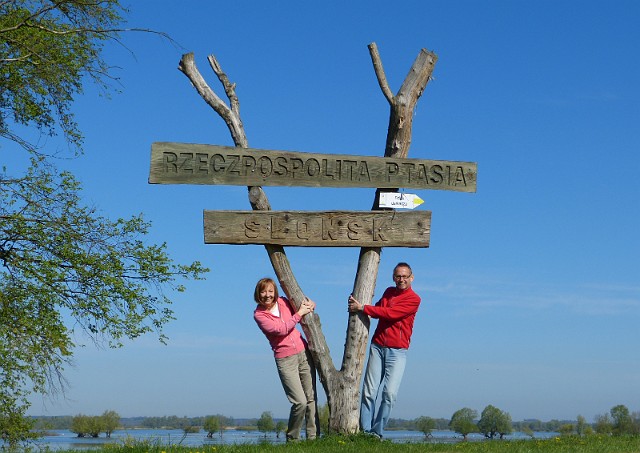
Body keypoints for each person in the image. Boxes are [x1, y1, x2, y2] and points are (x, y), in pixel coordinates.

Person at [348, 262, 422, 439]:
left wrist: (363, 308)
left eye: (405, 276)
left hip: (398, 351)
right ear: (393, 277)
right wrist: (362, 305)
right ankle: (365, 431)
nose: (401, 279)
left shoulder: (414, 299)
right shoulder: (389, 292)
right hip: (378, 346)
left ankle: (377, 432)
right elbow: (378, 310)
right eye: (398, 276)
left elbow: (390, 313)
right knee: (369, 391)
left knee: (389, 394)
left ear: (412, 277)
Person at [253, 277, 318, 441]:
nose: (267, 295)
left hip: (303, 352)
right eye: (263, 291)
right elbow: (280, 329)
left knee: (311, 398)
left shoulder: (283, 301)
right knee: (300, 402)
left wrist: (311, 305)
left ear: (275, 291)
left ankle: (313, 438)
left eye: (270, 291)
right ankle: (293, 438)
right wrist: (299, 314)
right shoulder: (259, 315)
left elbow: (306, 302)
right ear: (258, 294)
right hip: (285, 359)